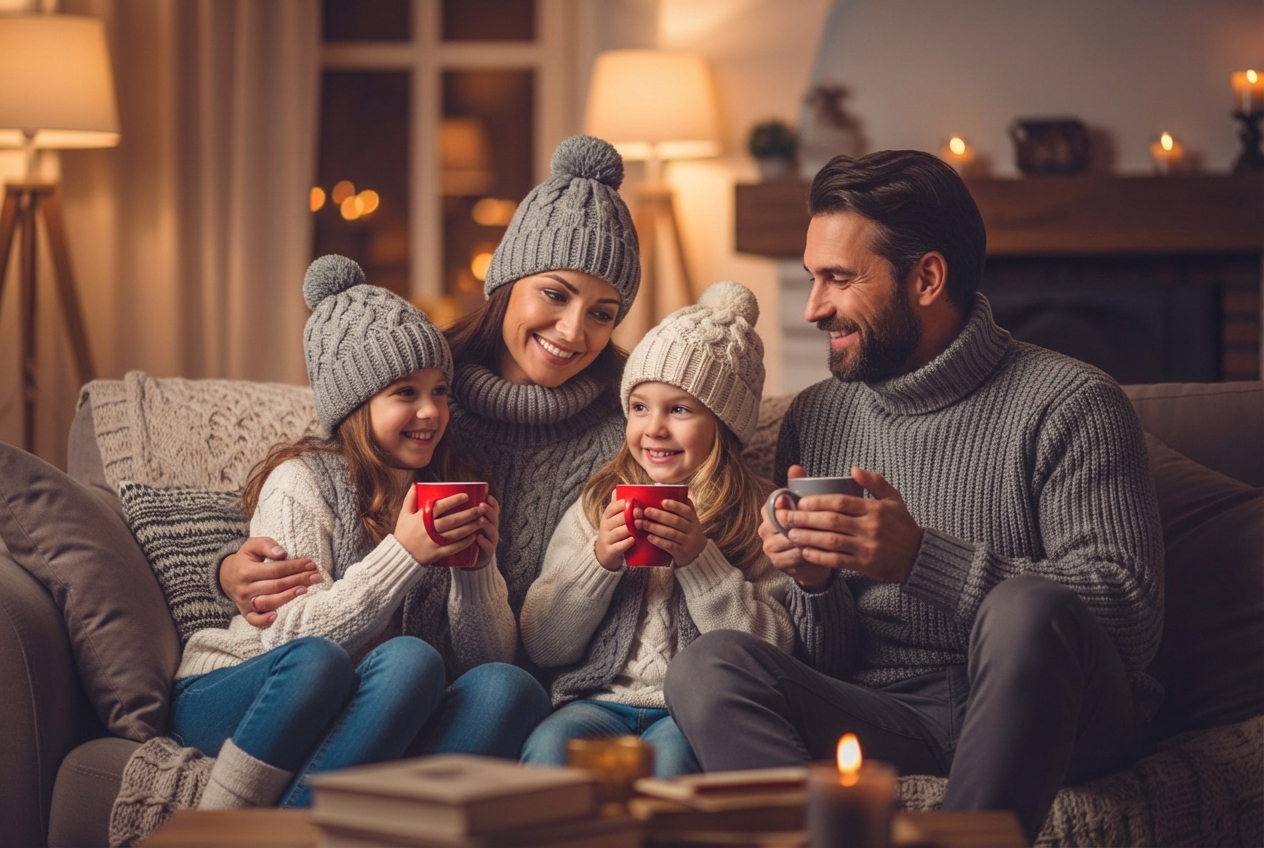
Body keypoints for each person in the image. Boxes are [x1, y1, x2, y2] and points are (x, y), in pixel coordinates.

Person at [662, 151, 1163, 841]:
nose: (814, 308)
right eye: (812, 279)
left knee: (1029, 607)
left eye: (838, 279)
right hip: (889, 716)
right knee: (709, 665)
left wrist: (920, 558)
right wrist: (813, 586)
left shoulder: (1071, 403)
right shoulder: (818, 416)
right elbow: (830, 660)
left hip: (1061, 715)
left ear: (926, 277)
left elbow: (1130, 617)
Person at [214, 134, 638, 632]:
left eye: (602, 314)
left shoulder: (627, 424)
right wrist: (228, 568)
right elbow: (329, 478)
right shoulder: (423, 384)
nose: (572, 331)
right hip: (408, 665)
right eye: (553, 294)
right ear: (505, 284)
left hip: (529, 678)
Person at [171, 255, 548, 809]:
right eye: (405, 392)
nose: (430, 411)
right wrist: (403, 554)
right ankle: (255, 834)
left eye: (440, 391)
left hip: (369, 704)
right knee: (405, 659)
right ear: (354, 403)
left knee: (506, 688)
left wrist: (475, 574)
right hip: (245, 687)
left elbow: (479, 661)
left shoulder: (445, 486)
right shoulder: (301, 483)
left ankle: (394, 825)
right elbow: (293, 640)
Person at [519, 282, 794, 776]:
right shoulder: (597, 503)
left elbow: (771, 650)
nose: (654, 428)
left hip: (689, 713)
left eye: (680, 409)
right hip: (597, 702)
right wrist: (597, 562)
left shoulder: (759, 512)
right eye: (640, 407)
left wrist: (700, 561)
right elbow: (543, 642)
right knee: (548, 751)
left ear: (724, 425)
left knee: (672, 771)